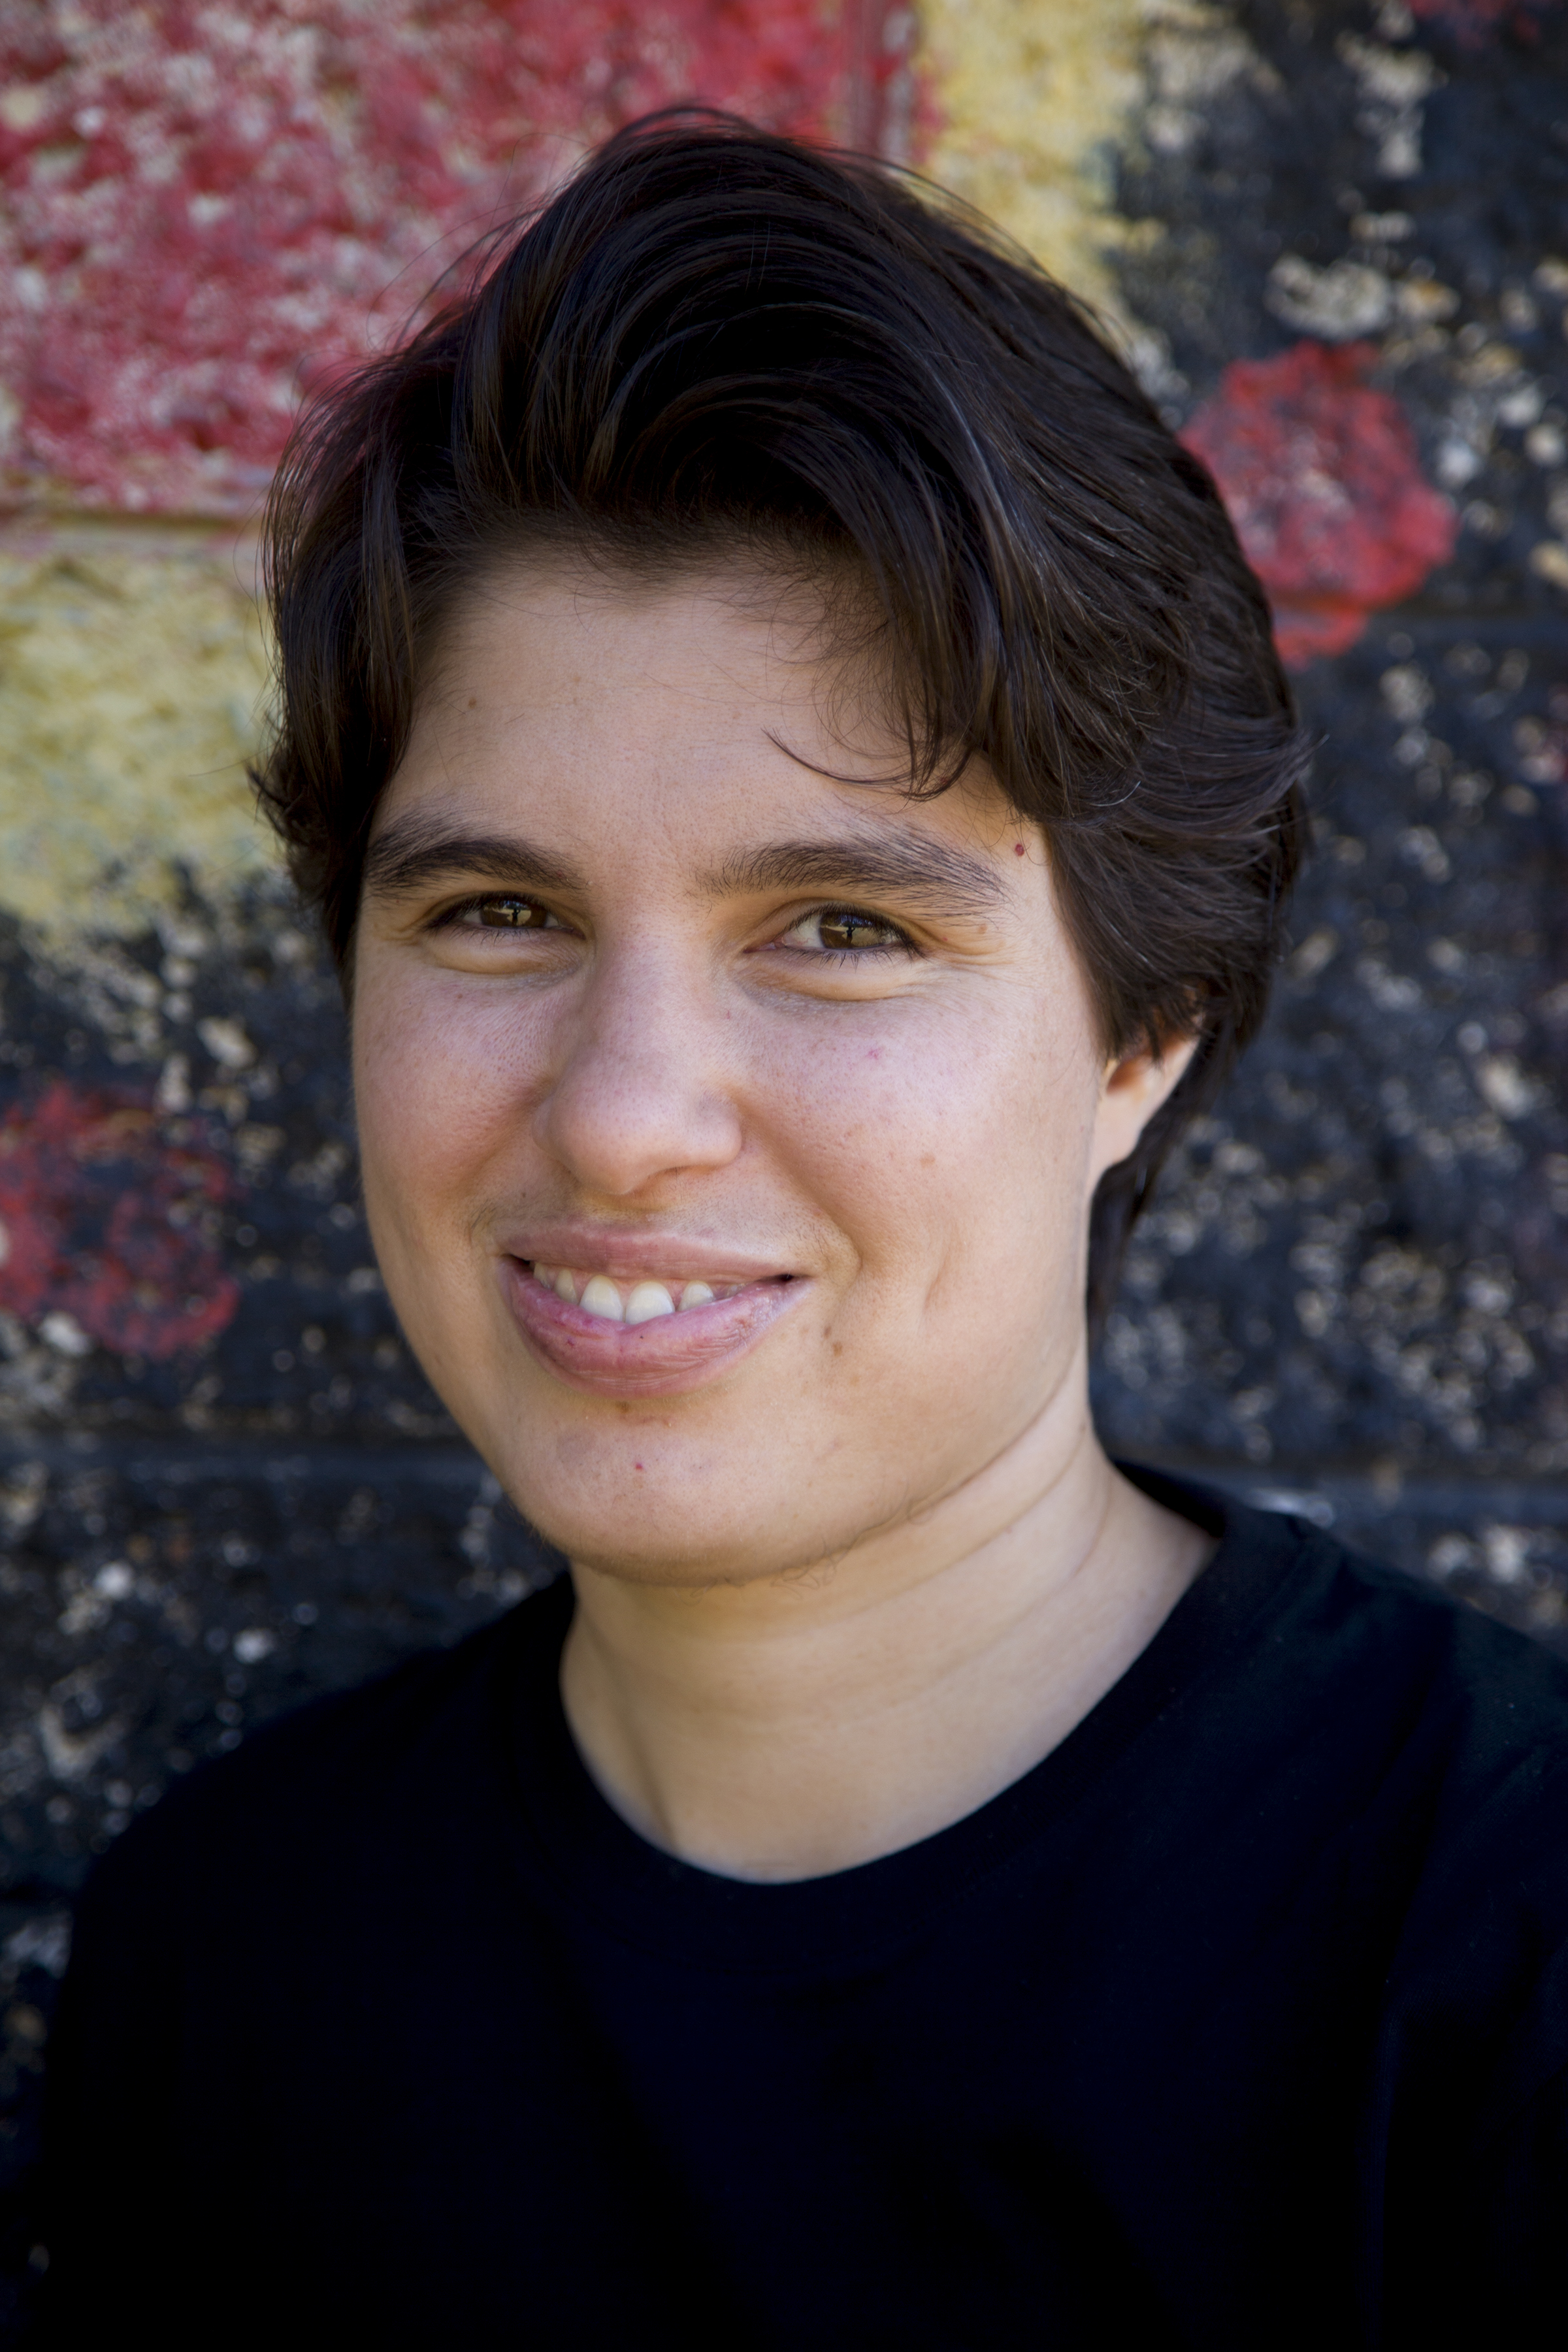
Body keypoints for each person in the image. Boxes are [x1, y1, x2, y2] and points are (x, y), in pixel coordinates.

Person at [35, 117, 1567, 2345]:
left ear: (1142, 1035)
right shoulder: (225, 1968)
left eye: (842, 927)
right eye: (497, 911)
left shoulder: (1502, 1961)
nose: (624, 1116)